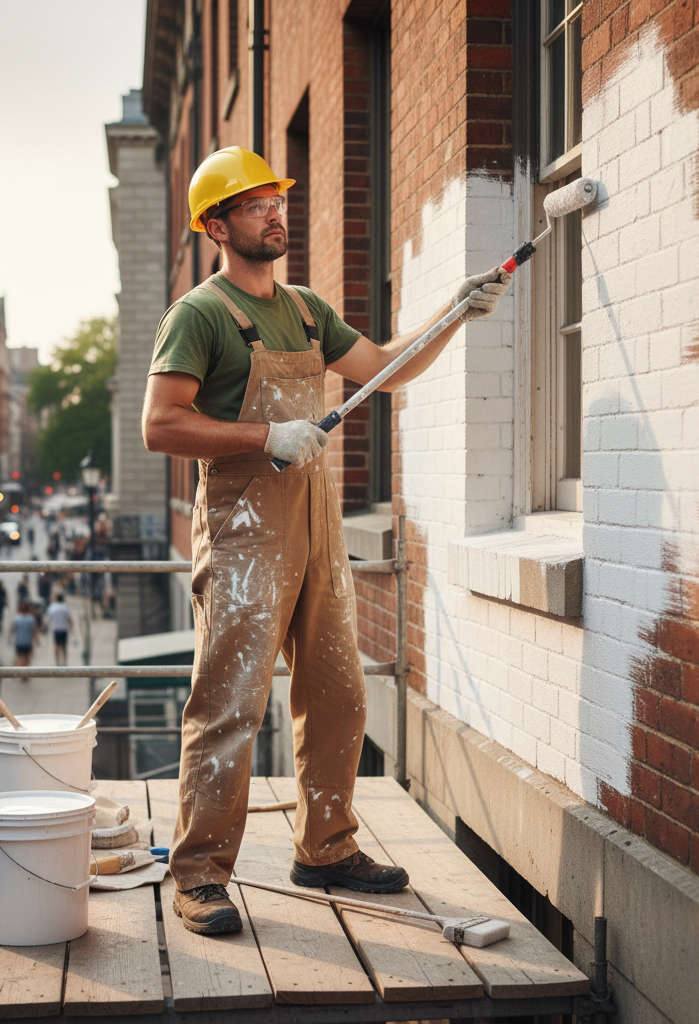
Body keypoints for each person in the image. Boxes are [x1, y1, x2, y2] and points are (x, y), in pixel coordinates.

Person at [142, 146, 512, 935]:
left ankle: (327, 848)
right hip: (244, 533)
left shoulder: (307, 309)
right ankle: (201, 874)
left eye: (277, 199)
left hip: (315, 525)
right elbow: (160, 425)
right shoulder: (201, 314)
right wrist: (262, 434)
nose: (277, 213)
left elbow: (383, 366)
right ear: (216, 225)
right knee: (229, 704)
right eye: (254, 204)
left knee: (341, 694)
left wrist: (452, 314)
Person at [44, 592, 73, 666]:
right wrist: (71, 629)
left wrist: (46, 628)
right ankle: (65, 661)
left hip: (55, 629)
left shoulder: (52, 607)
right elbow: (69, 619)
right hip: (64, 629)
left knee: (56, 646)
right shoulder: (65, 607)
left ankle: (57, 661)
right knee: (64, 646)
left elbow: (48, 618)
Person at [9, 601, 38, 670]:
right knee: (28, 658)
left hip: (19, 641)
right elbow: (34, 631)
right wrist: (37, 640)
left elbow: (12, 629)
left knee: (20, 657)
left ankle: (22, 672)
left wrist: (9, 638)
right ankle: (26, 670)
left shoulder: (16, 619)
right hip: (28, 642)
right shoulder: (31, 619)